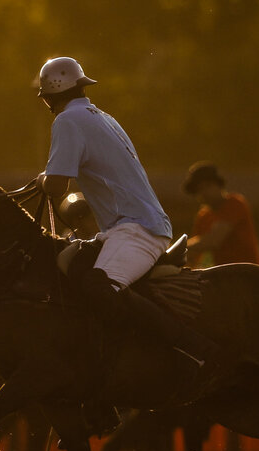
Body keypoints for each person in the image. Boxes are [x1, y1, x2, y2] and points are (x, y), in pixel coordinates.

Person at [36, 56, 214, 369]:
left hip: (137, 229)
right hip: (130, 227)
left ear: (51, 96)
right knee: (68, 262)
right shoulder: (104, 116)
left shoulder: (67, 120)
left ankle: (194, 350)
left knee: (97, 288)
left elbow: (55, 187)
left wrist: (41, 179)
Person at [182, 161, 259, 267]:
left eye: (208, 186)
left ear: (219, 185)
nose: (204, 193)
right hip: (225, 277)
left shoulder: (235, 203)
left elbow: (214, 240)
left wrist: (177, 248)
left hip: (250, 274)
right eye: (199, 190)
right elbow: (194, 255)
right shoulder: (203, 216)